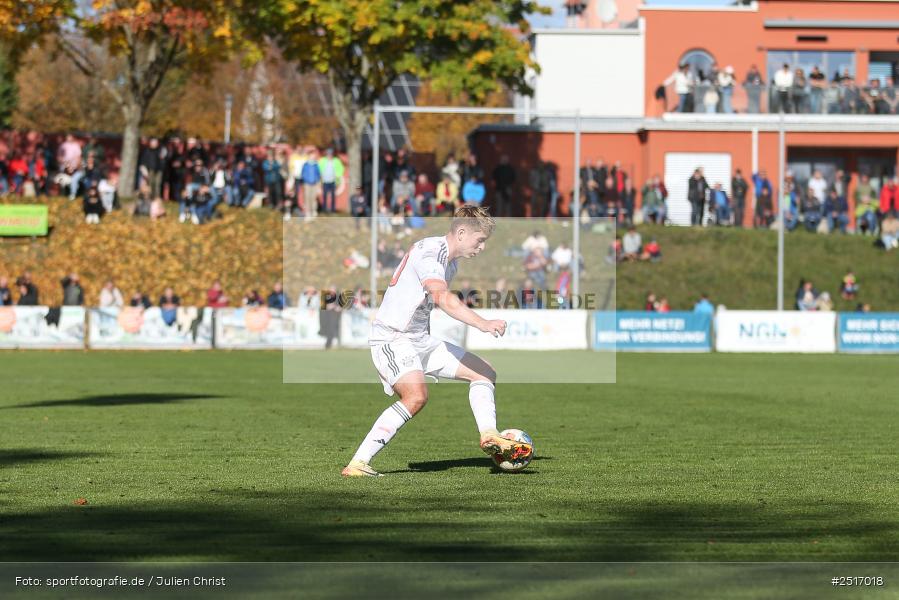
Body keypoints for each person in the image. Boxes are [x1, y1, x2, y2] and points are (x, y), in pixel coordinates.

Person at [342, 206, 531, 477]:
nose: (482, 247)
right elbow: (441, 297)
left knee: (484, 372)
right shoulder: (431, 253)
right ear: (462, 232)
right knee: (416, 396)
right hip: (392, 337)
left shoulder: (450, 262)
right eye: (480, 240)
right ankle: (358, 463)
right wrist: (483, 323)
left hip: (418, 339)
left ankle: (490, 435)